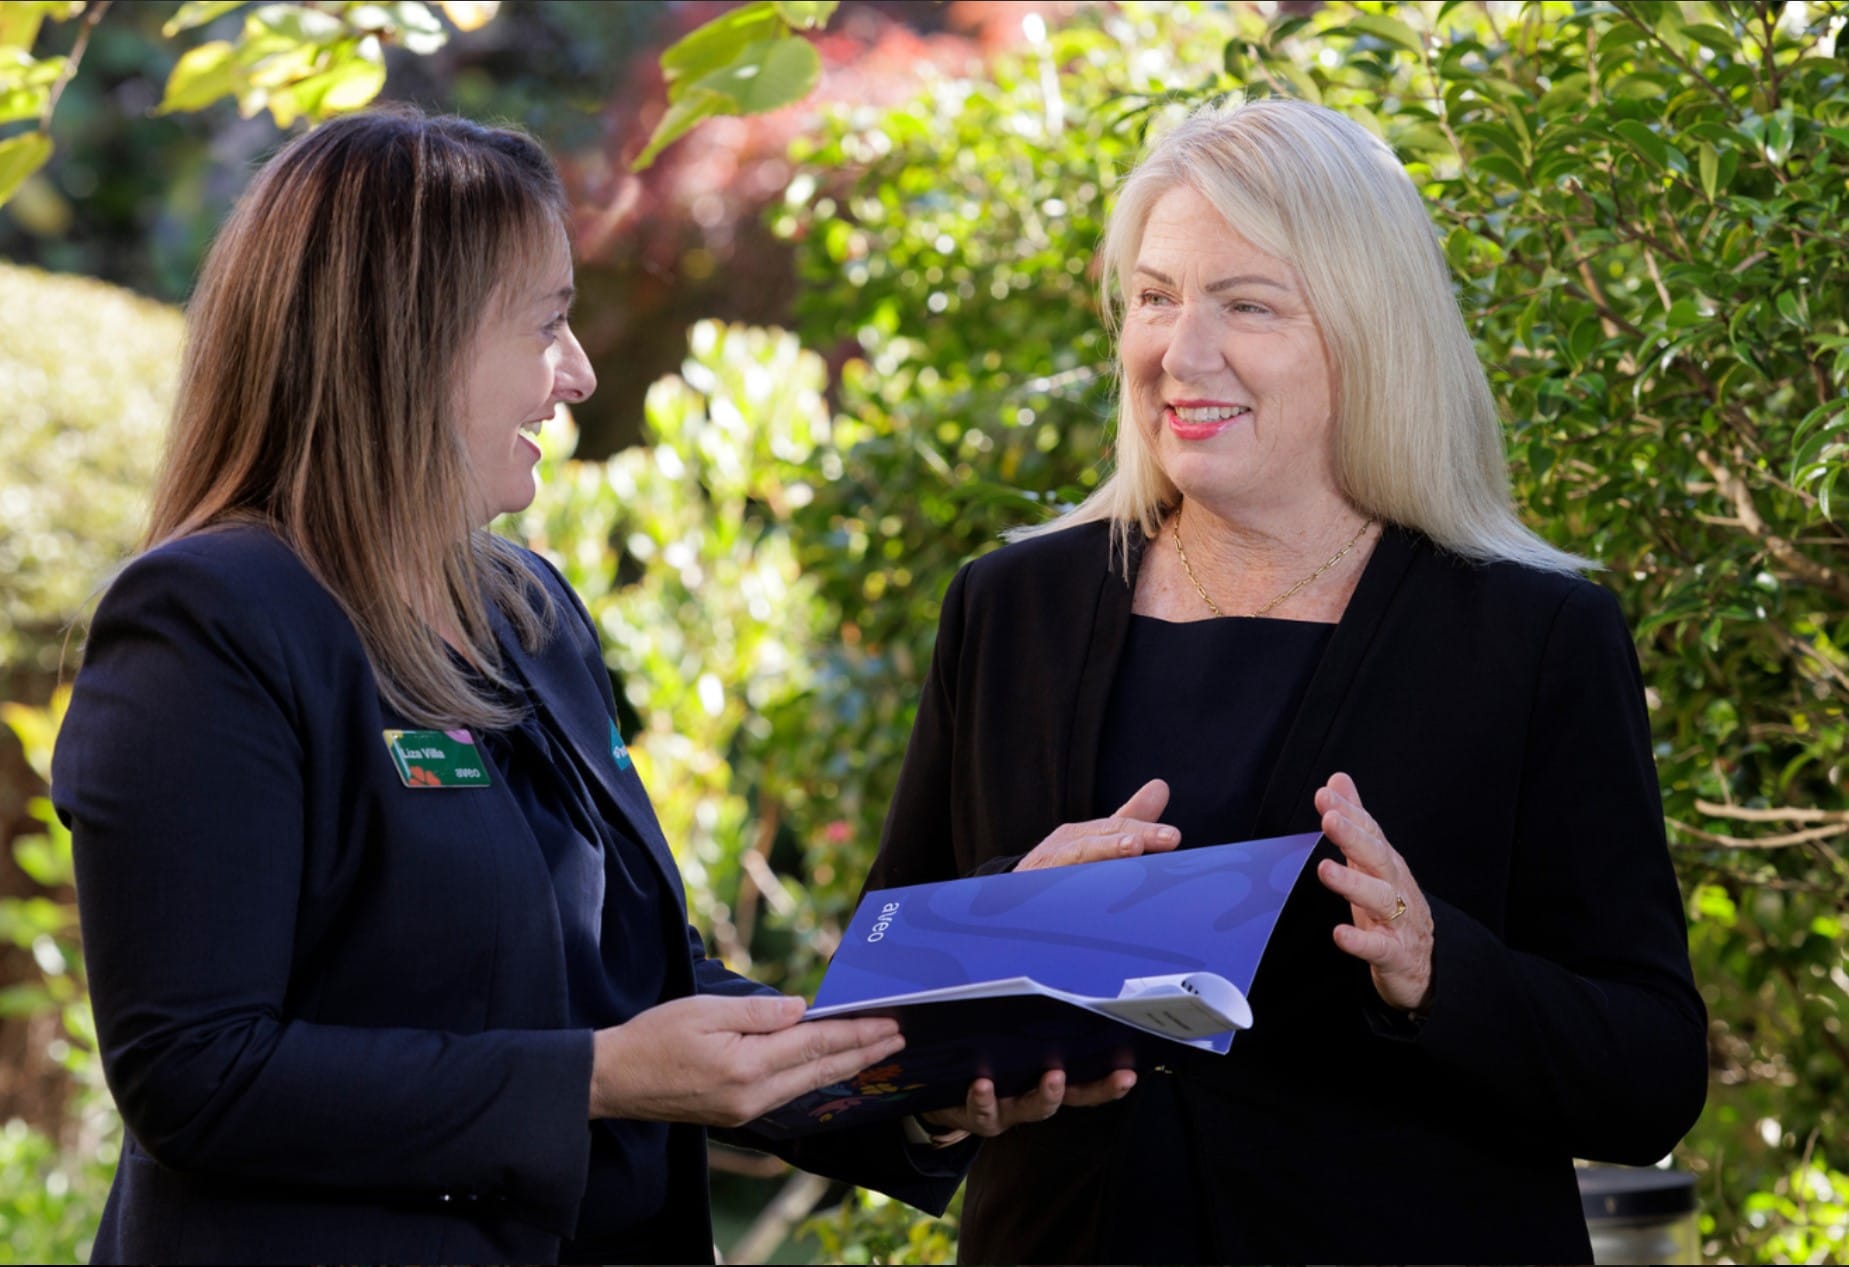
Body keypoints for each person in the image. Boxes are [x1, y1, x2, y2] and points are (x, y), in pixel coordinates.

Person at [49, 109, 1108, 1266]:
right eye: (547, 324)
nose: (579, 372)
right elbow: (198, 1073)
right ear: (411, 341)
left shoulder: (526, 609)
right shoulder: (210, 619)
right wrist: (597, 1079)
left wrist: (941, 1039)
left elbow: (646, 985)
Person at [863, 96, 1709, 1264]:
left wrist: (1436, 969)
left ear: (1368, 335)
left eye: (1246, 305)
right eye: (1155, 297)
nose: (1181, 350)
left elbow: (1650, 1071)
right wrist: (1004, 930)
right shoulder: (1013, 607)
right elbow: (871, 1030)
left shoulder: (1532, 634)